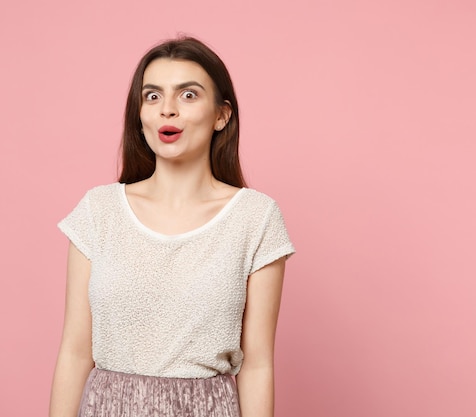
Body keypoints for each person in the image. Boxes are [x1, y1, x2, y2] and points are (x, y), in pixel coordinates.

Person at [49, 36, 295, 417]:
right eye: (152, 97)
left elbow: (258, 364)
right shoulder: (98, 211)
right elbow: (75, 351)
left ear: (221, 115)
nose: (167, 110)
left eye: (188, 95)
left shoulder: (255, 218)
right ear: (140, 115)